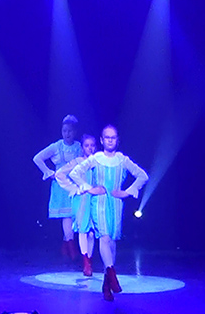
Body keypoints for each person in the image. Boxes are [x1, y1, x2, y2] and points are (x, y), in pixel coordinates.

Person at [69, 125, 148, 302]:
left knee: (111, 243)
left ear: (117, 140)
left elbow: (143, 176)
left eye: (113, 137)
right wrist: (90, 188)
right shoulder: (96, 158)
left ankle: (106, 284)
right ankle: (112, 275)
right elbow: (75, 173)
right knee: (104, 238)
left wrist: (127, 192)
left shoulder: (122, 160)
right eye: (107, 137)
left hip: (116, 204)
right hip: (100, 203)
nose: (110, 140)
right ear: (102, 140)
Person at [32, 115, 83, 259]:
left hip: (75, 184)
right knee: (66, 216)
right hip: (61, 187)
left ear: (75, 131)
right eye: (64, 131)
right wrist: (49, 173)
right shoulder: (56, 146)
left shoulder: (79, 147)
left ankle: (65, 247)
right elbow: (37, 158)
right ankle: (71, 247)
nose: (67, 134)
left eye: (70, 131)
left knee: (74, 216)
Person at [55, 134, 98, 275]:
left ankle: (89, 259)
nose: (90, 148)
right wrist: (73, 188)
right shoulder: (77, 162)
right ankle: (86, 263)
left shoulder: (98, 162)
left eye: (92, 145)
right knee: (83, 230)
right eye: (87, 145)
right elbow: (60, 174)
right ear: (82, 147)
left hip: (95, 199)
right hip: (81, 199)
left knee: (92, 233)